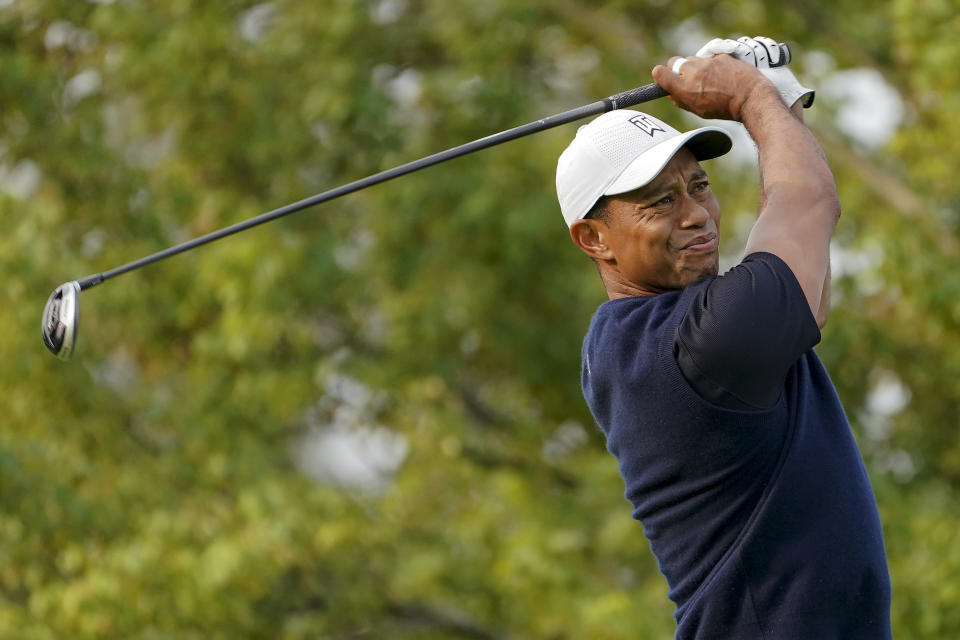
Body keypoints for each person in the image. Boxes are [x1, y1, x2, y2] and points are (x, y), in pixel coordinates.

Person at [555, 36, 892, 639]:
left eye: (700, 187)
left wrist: (776, 107)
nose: (697, 215)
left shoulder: (661, 334)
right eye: (661, 202)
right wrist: (749, 96)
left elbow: (801, 279)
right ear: (594, 240)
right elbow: (807, 205)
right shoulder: (695, 350)